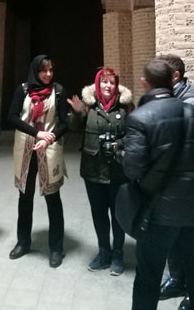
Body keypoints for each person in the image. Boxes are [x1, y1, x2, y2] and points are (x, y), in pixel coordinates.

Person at [123, 59, 194, 310]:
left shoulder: (140, 117)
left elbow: (132, 168)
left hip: (158, 213)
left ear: (146, 82)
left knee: (148, 277)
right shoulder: (192, 111)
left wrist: (124, 155)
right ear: (171, 80)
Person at [68, 67, 132, 276]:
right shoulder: (88, 106)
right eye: (104, 82)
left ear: (116, 85)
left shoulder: (126, 107)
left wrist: (119, 144)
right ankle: (104, 252)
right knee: (99, 214)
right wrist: (76, 113)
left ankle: (118, 254)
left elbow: (134, 133)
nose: (108, 86)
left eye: (112, 82)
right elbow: (74, 127)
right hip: (93, 170)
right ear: (97, 84)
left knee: (118, 215)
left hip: (118, 170)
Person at [157, 54, 194, 310]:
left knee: (192, 247)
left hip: (188, 190)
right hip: (170, 189)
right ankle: (177, 280)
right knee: (173, 240)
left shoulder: (192, 105)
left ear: (175, 76)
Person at [8, 54, 68, 268]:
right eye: (43, 70)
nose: (48, 74)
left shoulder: (58, 91)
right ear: (35, 71)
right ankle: (23, 242)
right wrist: (36, 133)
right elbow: (12, 117)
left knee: (53, 199)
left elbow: (64, 123)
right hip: (26, 151)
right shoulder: (23, 90)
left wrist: (48, 138)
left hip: (49, 150)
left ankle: (56, 248)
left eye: (51, 70)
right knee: (25, 197)